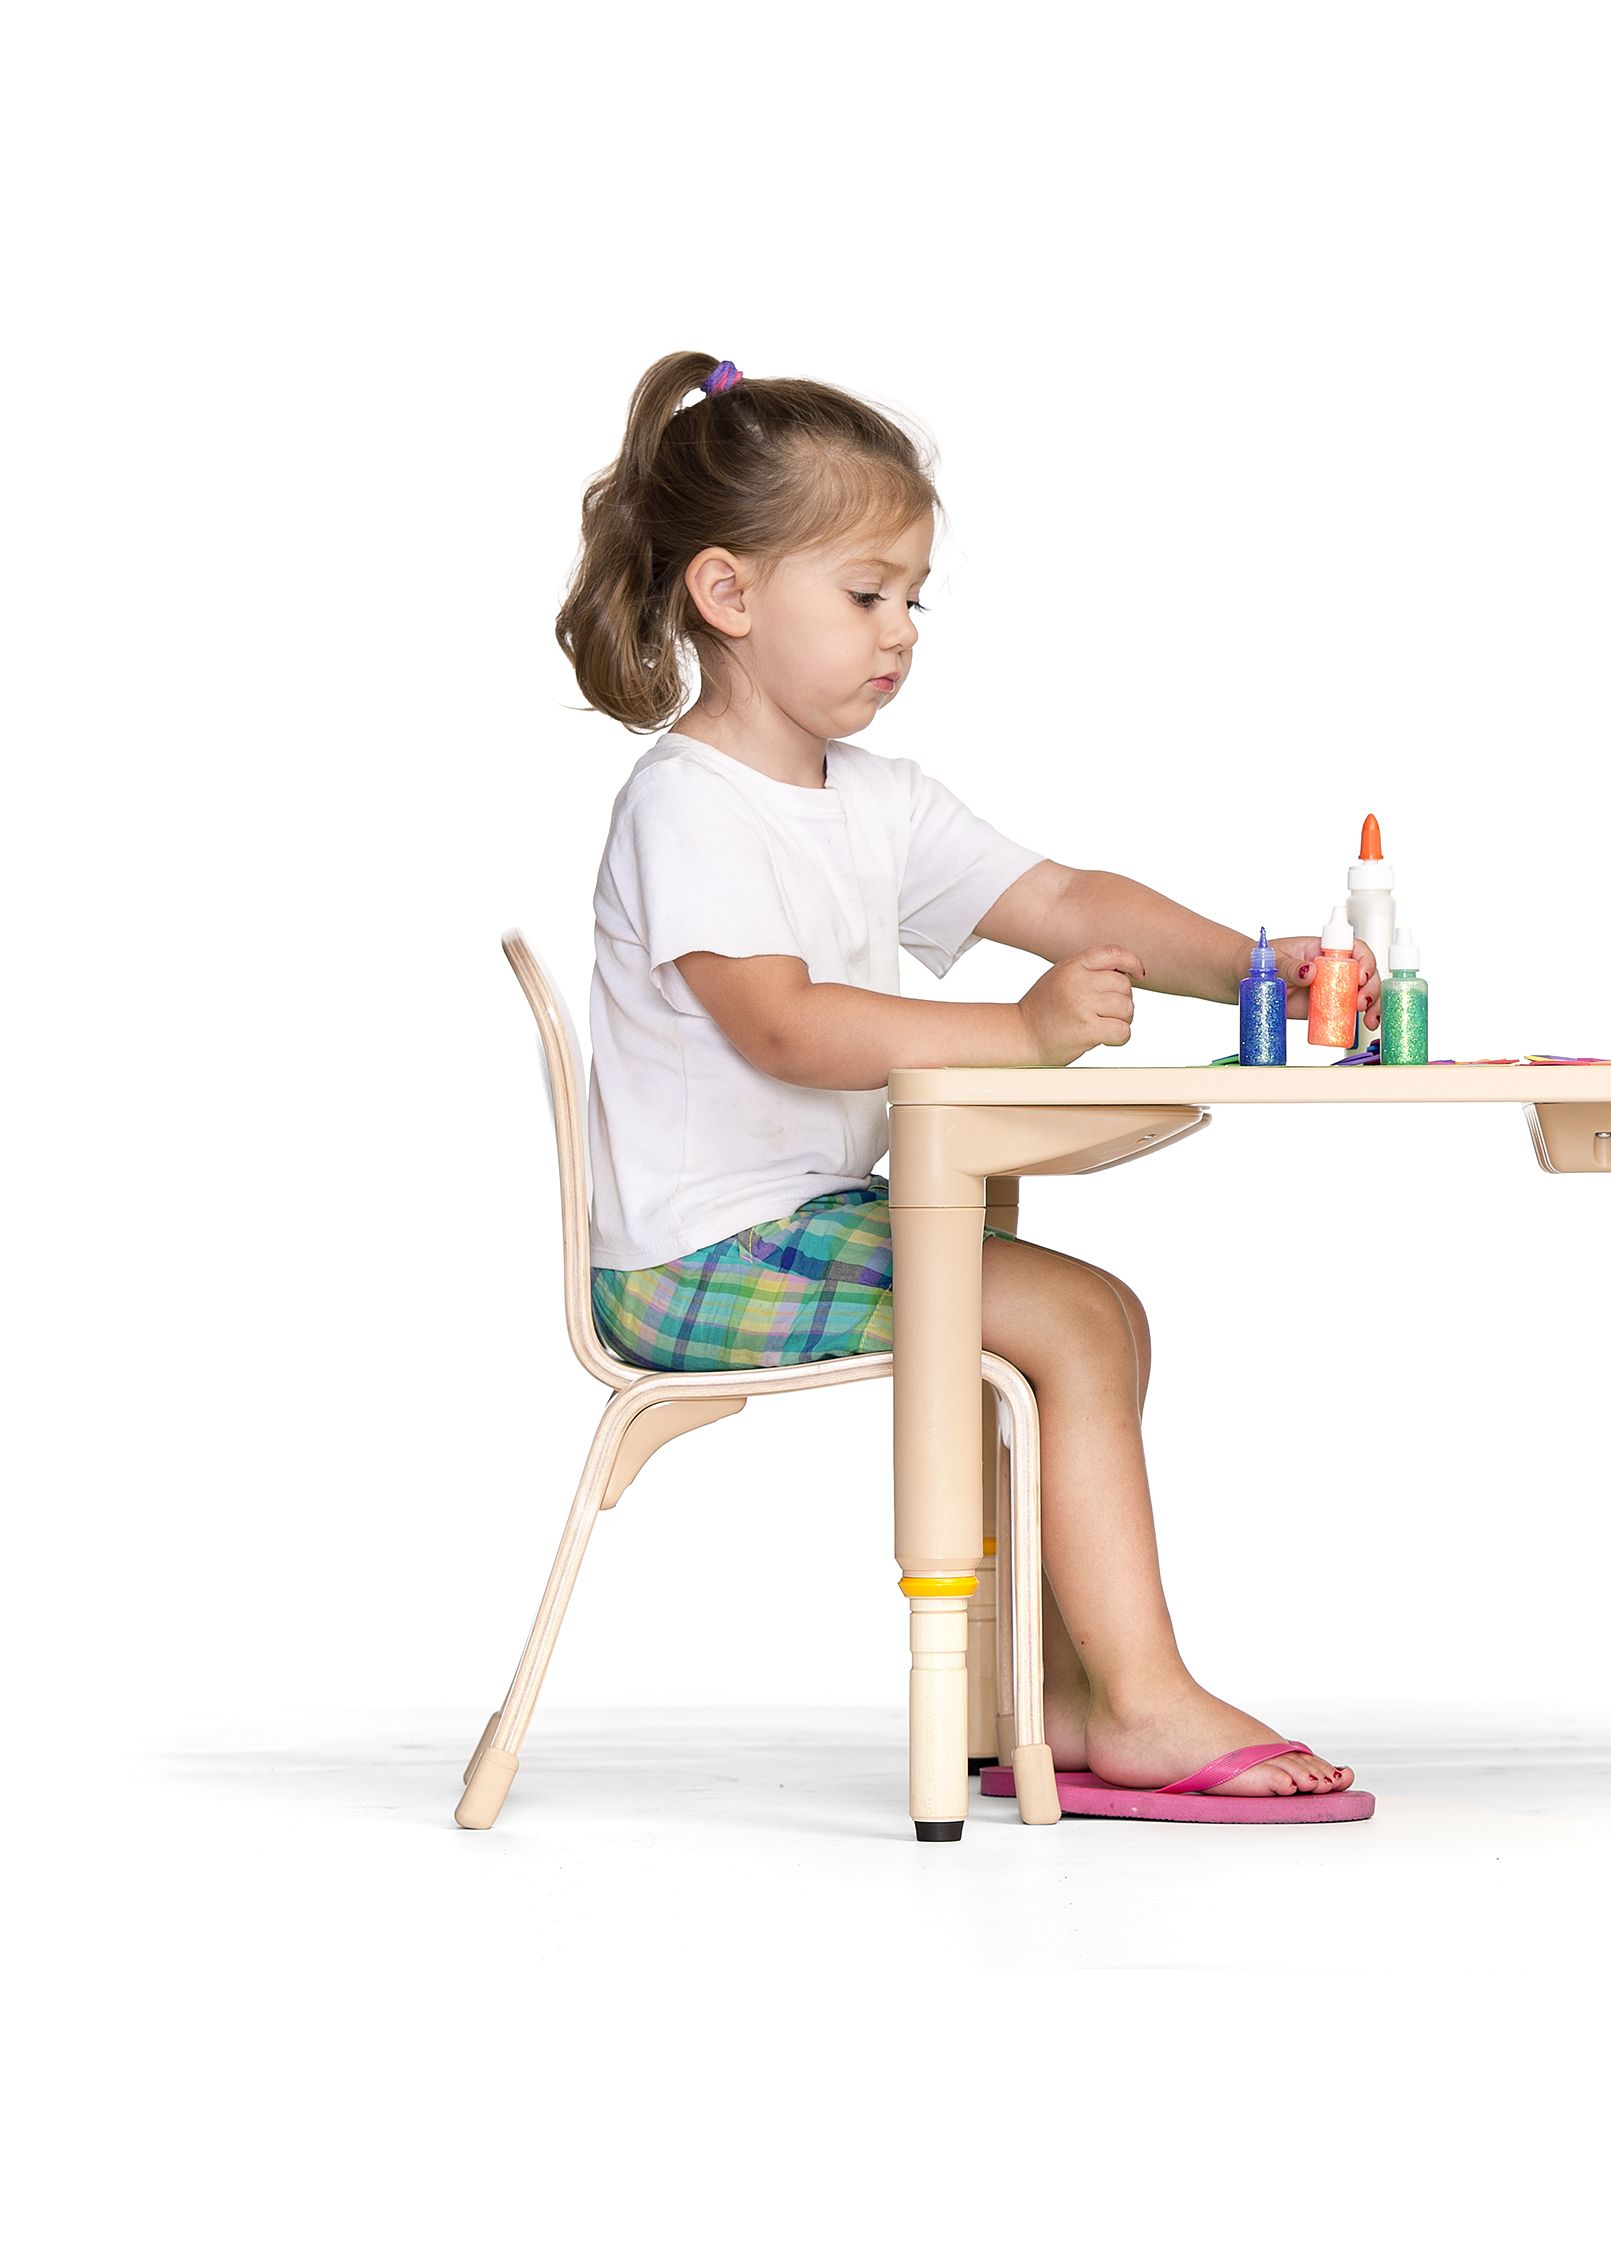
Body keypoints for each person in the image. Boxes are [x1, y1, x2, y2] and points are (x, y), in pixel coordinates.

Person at [555, 352, 1369, 1814]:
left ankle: (1052, 1695)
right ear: (728, 596)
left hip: (801, 1217)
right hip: (693, 1258)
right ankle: (1144, 1699)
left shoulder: (876, 798)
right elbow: (785, 1028)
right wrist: (1022, 1035)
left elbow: (1063, 899)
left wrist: (1266, 962)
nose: (901, 632)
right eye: (866, 594)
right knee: (1069, 1313)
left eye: (915, 598)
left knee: (1083, 1312)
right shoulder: (688, 803)